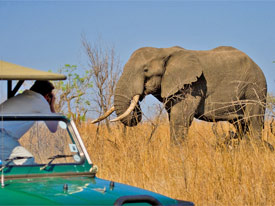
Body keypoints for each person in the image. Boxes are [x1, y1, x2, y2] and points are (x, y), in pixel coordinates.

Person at [0, 80, 58, 165]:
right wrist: (51, 105)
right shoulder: (41, 100)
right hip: (2, 135)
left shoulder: (22, 96)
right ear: (47, 96)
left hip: (3, 134)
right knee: (27, 162)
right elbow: (53, 128)